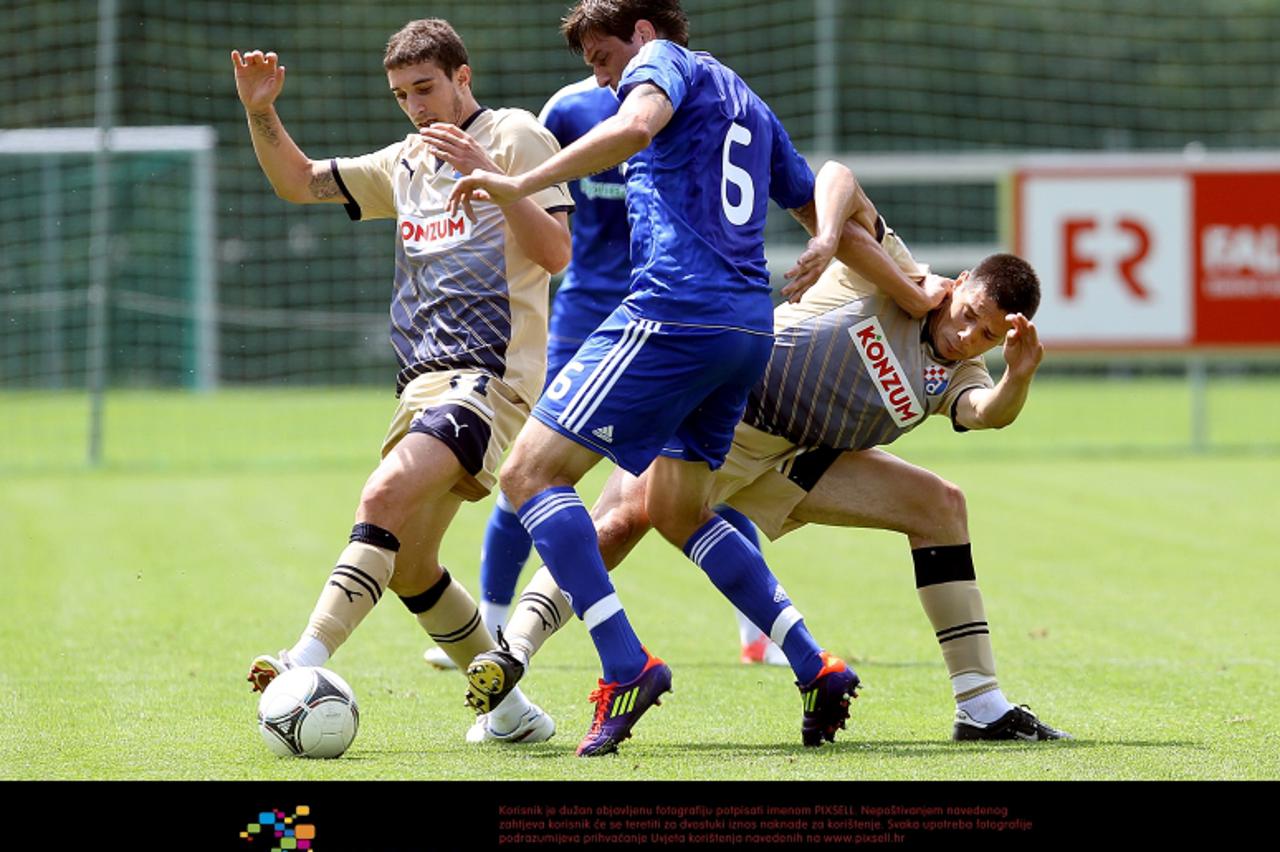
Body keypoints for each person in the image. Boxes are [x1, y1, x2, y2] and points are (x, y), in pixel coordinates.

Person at [449, 0, 943, 756]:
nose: (606, 81)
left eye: (605, 61)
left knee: (527, 474)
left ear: (643, 35)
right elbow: (824, 208)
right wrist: (908, 288)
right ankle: (815, 665)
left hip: (673, 312)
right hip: (746, 328)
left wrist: (518, 184)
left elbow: (636, 125)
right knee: (677, 511)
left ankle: (625, 665)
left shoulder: (663, 65)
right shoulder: (743, 96)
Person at [497, 177, 1072, 742]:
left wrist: (1017, 378)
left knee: (941, 507)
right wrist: (825, 240)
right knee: (618, 523)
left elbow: (985, 411)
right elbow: (837, 178)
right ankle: (513, 651)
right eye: (970, 314)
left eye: (988, 336)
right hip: (723, 410)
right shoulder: (899, 274)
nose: (968, 336)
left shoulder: (959, 372)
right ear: (963, 281)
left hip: (797, 455)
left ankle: (980, 705)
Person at [230, 18, 574, 744]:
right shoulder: (407, 161)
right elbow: (297, 182)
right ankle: (512, 712)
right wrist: (261, 109)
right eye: (401, 94)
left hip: (490, 378)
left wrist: (495, 177)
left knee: (382, 495)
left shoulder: (517, 136)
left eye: (426, 88)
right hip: (418, 386)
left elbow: (556, 254)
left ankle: (303, 658)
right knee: (412, 564)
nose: (416, 106)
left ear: (463, 77)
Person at [421, 75, 783, 673]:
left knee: (708, 467)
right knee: (533, 465)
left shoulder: (688, 98)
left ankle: (756, 634)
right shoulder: (567, 107)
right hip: (587, 308)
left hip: (670, 314)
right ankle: (485, 628)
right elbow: (529, 197)